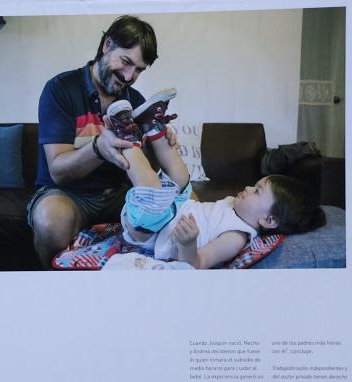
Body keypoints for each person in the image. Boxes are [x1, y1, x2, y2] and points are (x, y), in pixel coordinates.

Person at [104, 95, 326, 268]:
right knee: (182, 178)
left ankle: (125, 137)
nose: (248, 187)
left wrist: (188, 244)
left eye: (257, 191)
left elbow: (196, 264)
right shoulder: (235, 207)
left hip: (149, 232)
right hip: (173, 210)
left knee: (154, 194)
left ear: (268, 219)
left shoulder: (235, 237)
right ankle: (151, 127)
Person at [28, 15, 177, 268]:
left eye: (139, 70)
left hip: (119, 193)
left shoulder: (137, 101)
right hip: (68, 194)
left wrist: (159, 141)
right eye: (126, 61)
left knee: (178, 211)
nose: (129, 76)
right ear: (107, 45)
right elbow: (58, 171)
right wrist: (98, 147)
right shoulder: (60, 89)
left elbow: (147, 173)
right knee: (51, 219)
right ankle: (52, 284)